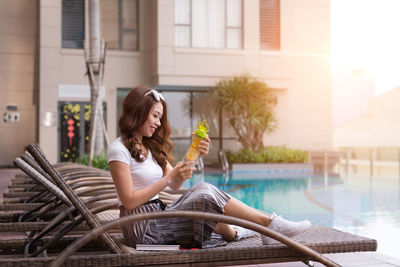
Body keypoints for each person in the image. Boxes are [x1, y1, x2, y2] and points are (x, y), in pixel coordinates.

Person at [108, 85, 311, 248]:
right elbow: (128, 201)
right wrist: (166, 180)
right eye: (155, 116)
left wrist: (195, 154)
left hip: (158, 217)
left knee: (205, 197)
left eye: (160, 117)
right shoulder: (119, 149)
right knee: (204, 192)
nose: (159, 123)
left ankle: (257, 228)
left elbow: (176, 184)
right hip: (141, 228)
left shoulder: (150, 148)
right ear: (139, 111)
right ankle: (268, 224)